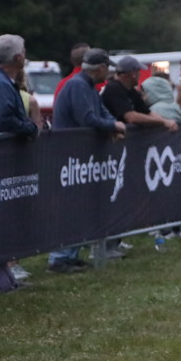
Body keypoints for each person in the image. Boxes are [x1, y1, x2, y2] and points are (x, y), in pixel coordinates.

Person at [48, 48, 126, 271]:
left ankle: (70, 254)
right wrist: (113, 125)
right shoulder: (78, 85)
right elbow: (87, 118)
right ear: (99, 68)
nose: (109, 72)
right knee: (69, 207)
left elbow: (102, 111)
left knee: (78, 207)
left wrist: (113, 126)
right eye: (107, 67)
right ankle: (59, 257)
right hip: (69, 157)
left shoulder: (87, 86)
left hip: (79, 158)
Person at [0, 34, 39, 139]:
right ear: (18, 58)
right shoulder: (1, 84)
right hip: (0, 148)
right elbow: (4, 121)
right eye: (23, 52)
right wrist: (30, 128)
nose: (25, 56)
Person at [101, 56, 179, 132]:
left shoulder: (131, 91)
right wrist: (163, 122)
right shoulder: (114, 88)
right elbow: (131, 117)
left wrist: (166, 121)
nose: (140, 75)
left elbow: (147, 112)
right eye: (138, 71)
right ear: (133, 74)